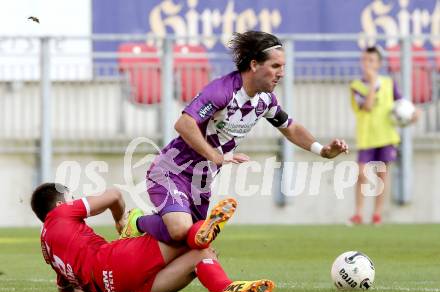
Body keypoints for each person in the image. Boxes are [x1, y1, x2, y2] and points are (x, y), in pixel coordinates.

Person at [122, 30, 348, 244]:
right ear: (254, 65)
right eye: (275, 66)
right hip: (172, 170)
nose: (281, 73)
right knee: (181, 229)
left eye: (283, 66)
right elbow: (184, 123)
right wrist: (215, 155)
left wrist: (323, 150)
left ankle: (143, 245)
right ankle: (137, 222)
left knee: (190, 242)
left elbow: (290, 127)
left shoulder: (265, 100)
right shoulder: (223, 91)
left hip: (202, 180)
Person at [30, 183, 274, 292]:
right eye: (71, 197)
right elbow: (114, 194)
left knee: (202, 255)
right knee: (179, 231)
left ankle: (225, 288)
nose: (75, 200)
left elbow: (65, 290)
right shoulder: (62, 213)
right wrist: (119, 221)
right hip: (112, 261)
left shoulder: (46, 248)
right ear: (61, 204)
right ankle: (143, 224)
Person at [349, 46, 420, 225]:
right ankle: (358, 213)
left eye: (371, 61)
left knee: (382, 176)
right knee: (361, 175)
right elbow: (367, 106)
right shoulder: (356, 86)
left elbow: (400, 104)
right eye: (364, 60)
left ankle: (377, 214)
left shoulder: (388, 82)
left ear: (379, 64)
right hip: (366, 137)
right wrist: (373, 84)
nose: (367, 64)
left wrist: (412, 114)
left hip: (387, 136)